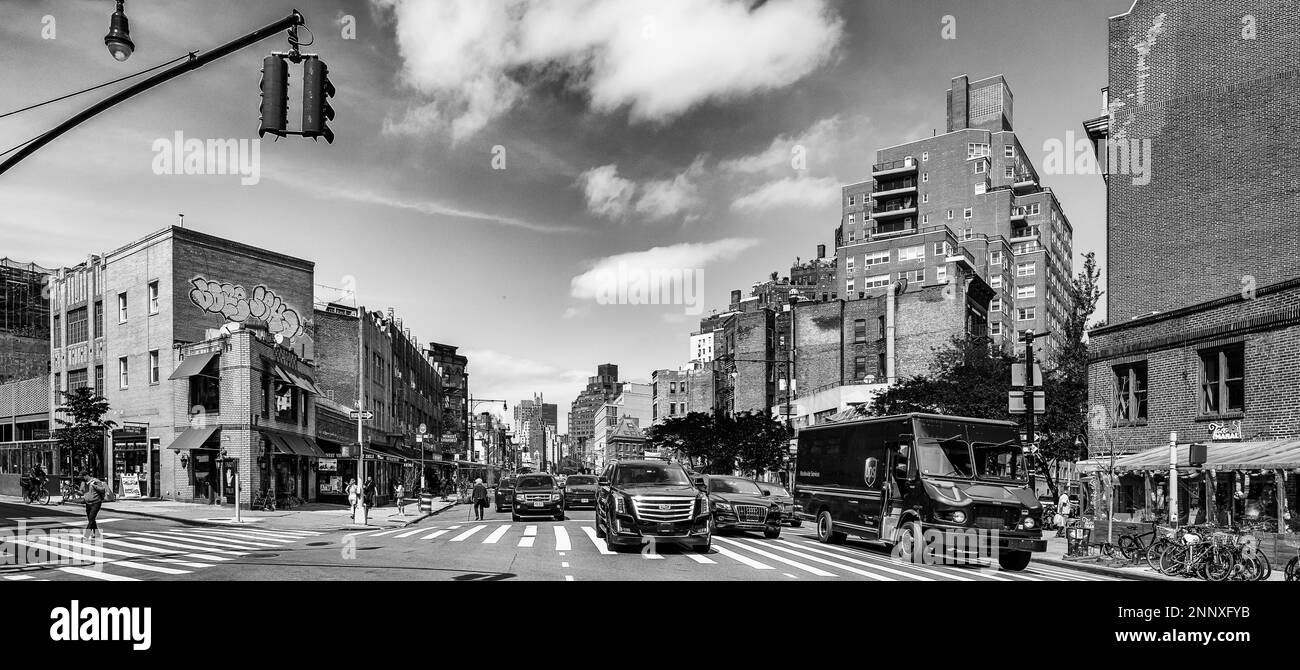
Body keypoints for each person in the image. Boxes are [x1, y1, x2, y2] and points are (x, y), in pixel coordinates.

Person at [81, 473, 109, 540]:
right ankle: (97, 534)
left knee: (91, 519)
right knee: (91, 519)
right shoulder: (84, 483)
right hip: (88, 503)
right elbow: (82, 492)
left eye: (82, 477)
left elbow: (103, 489)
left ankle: (86, 535)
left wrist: (94, 486)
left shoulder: (95, 481)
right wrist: (77, 492)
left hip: (96, 503)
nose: (82, 479)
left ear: (86, 476)